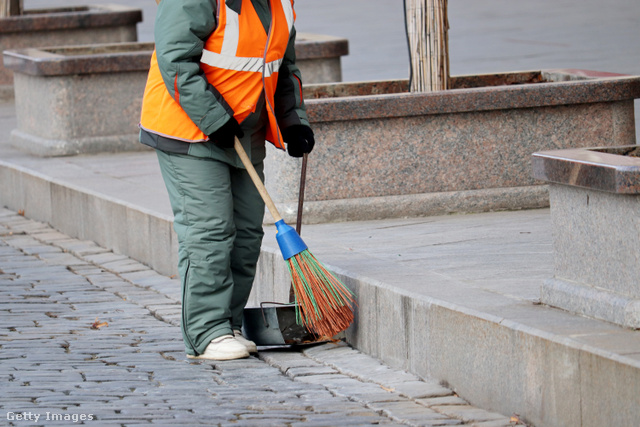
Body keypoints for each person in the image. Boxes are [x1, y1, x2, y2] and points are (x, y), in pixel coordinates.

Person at [139, 0, 315, 361]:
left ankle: (229, 323)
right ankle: (207, 332)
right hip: (189, 130)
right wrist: (212, 117)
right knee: (210, 230)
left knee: (248, 232)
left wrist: (293, 120)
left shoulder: (279, 4)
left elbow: (282, 66)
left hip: (242, 134)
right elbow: (176, 61)